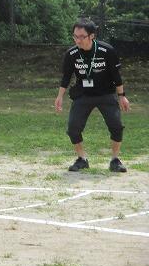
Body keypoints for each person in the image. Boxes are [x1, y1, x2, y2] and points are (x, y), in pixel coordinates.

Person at [54, 17, 130, 172]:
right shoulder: (71, 54)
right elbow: (66, 77)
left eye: (82, 37)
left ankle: (115, 160)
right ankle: (82, 159)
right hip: (83, 95)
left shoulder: (106, 51)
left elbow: (116, 76)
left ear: (92, 36)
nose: (78, 40)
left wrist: (122, 96)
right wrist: (59, 96)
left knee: (116, 126)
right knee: (73, 128)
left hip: (106, 94)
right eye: (75, 36)